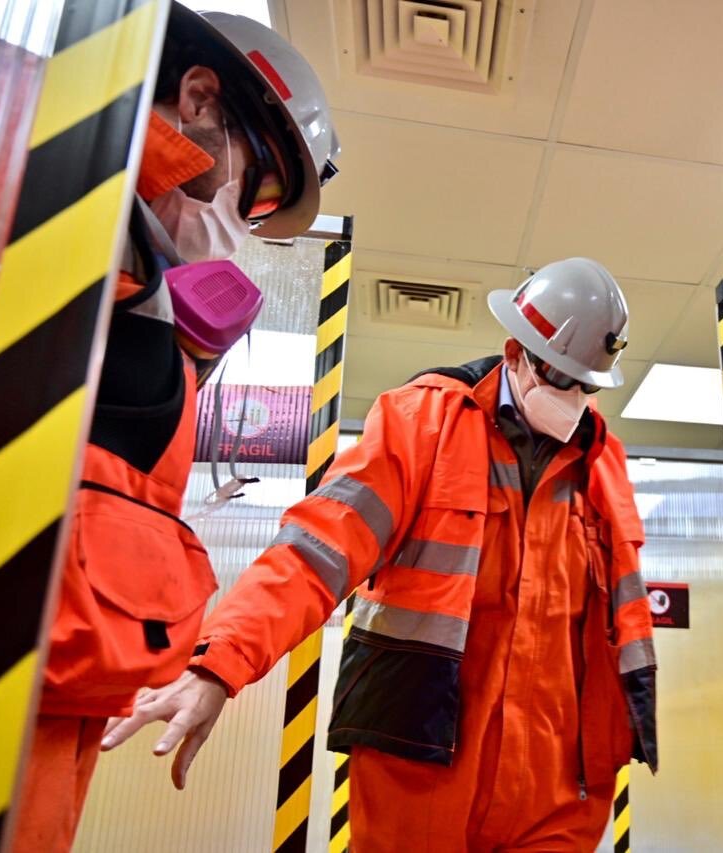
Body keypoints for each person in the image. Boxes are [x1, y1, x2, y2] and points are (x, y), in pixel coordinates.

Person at [102, 257, 658, 852]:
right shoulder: (422, 423)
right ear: (515, 351)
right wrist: (217, 664)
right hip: (422, 763)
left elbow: (622, 620)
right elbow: (316, 551)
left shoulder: (605, 463)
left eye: (586, 384)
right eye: (558, 375)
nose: (570, 396)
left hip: (559, 785)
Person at [12, 6, 339, 851]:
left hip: (50, 711)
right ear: (198, 98)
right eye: (259, 191)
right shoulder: (35, 170)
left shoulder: (128, 267)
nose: (250, 226)